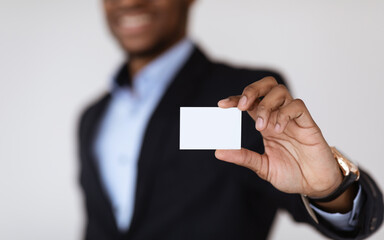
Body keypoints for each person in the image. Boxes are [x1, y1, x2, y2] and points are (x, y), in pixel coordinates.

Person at [78, 0, 383, 239]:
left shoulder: (244, 100)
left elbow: (348, 218)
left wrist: (328, 189)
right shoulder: (91, 118)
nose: (130, 1)